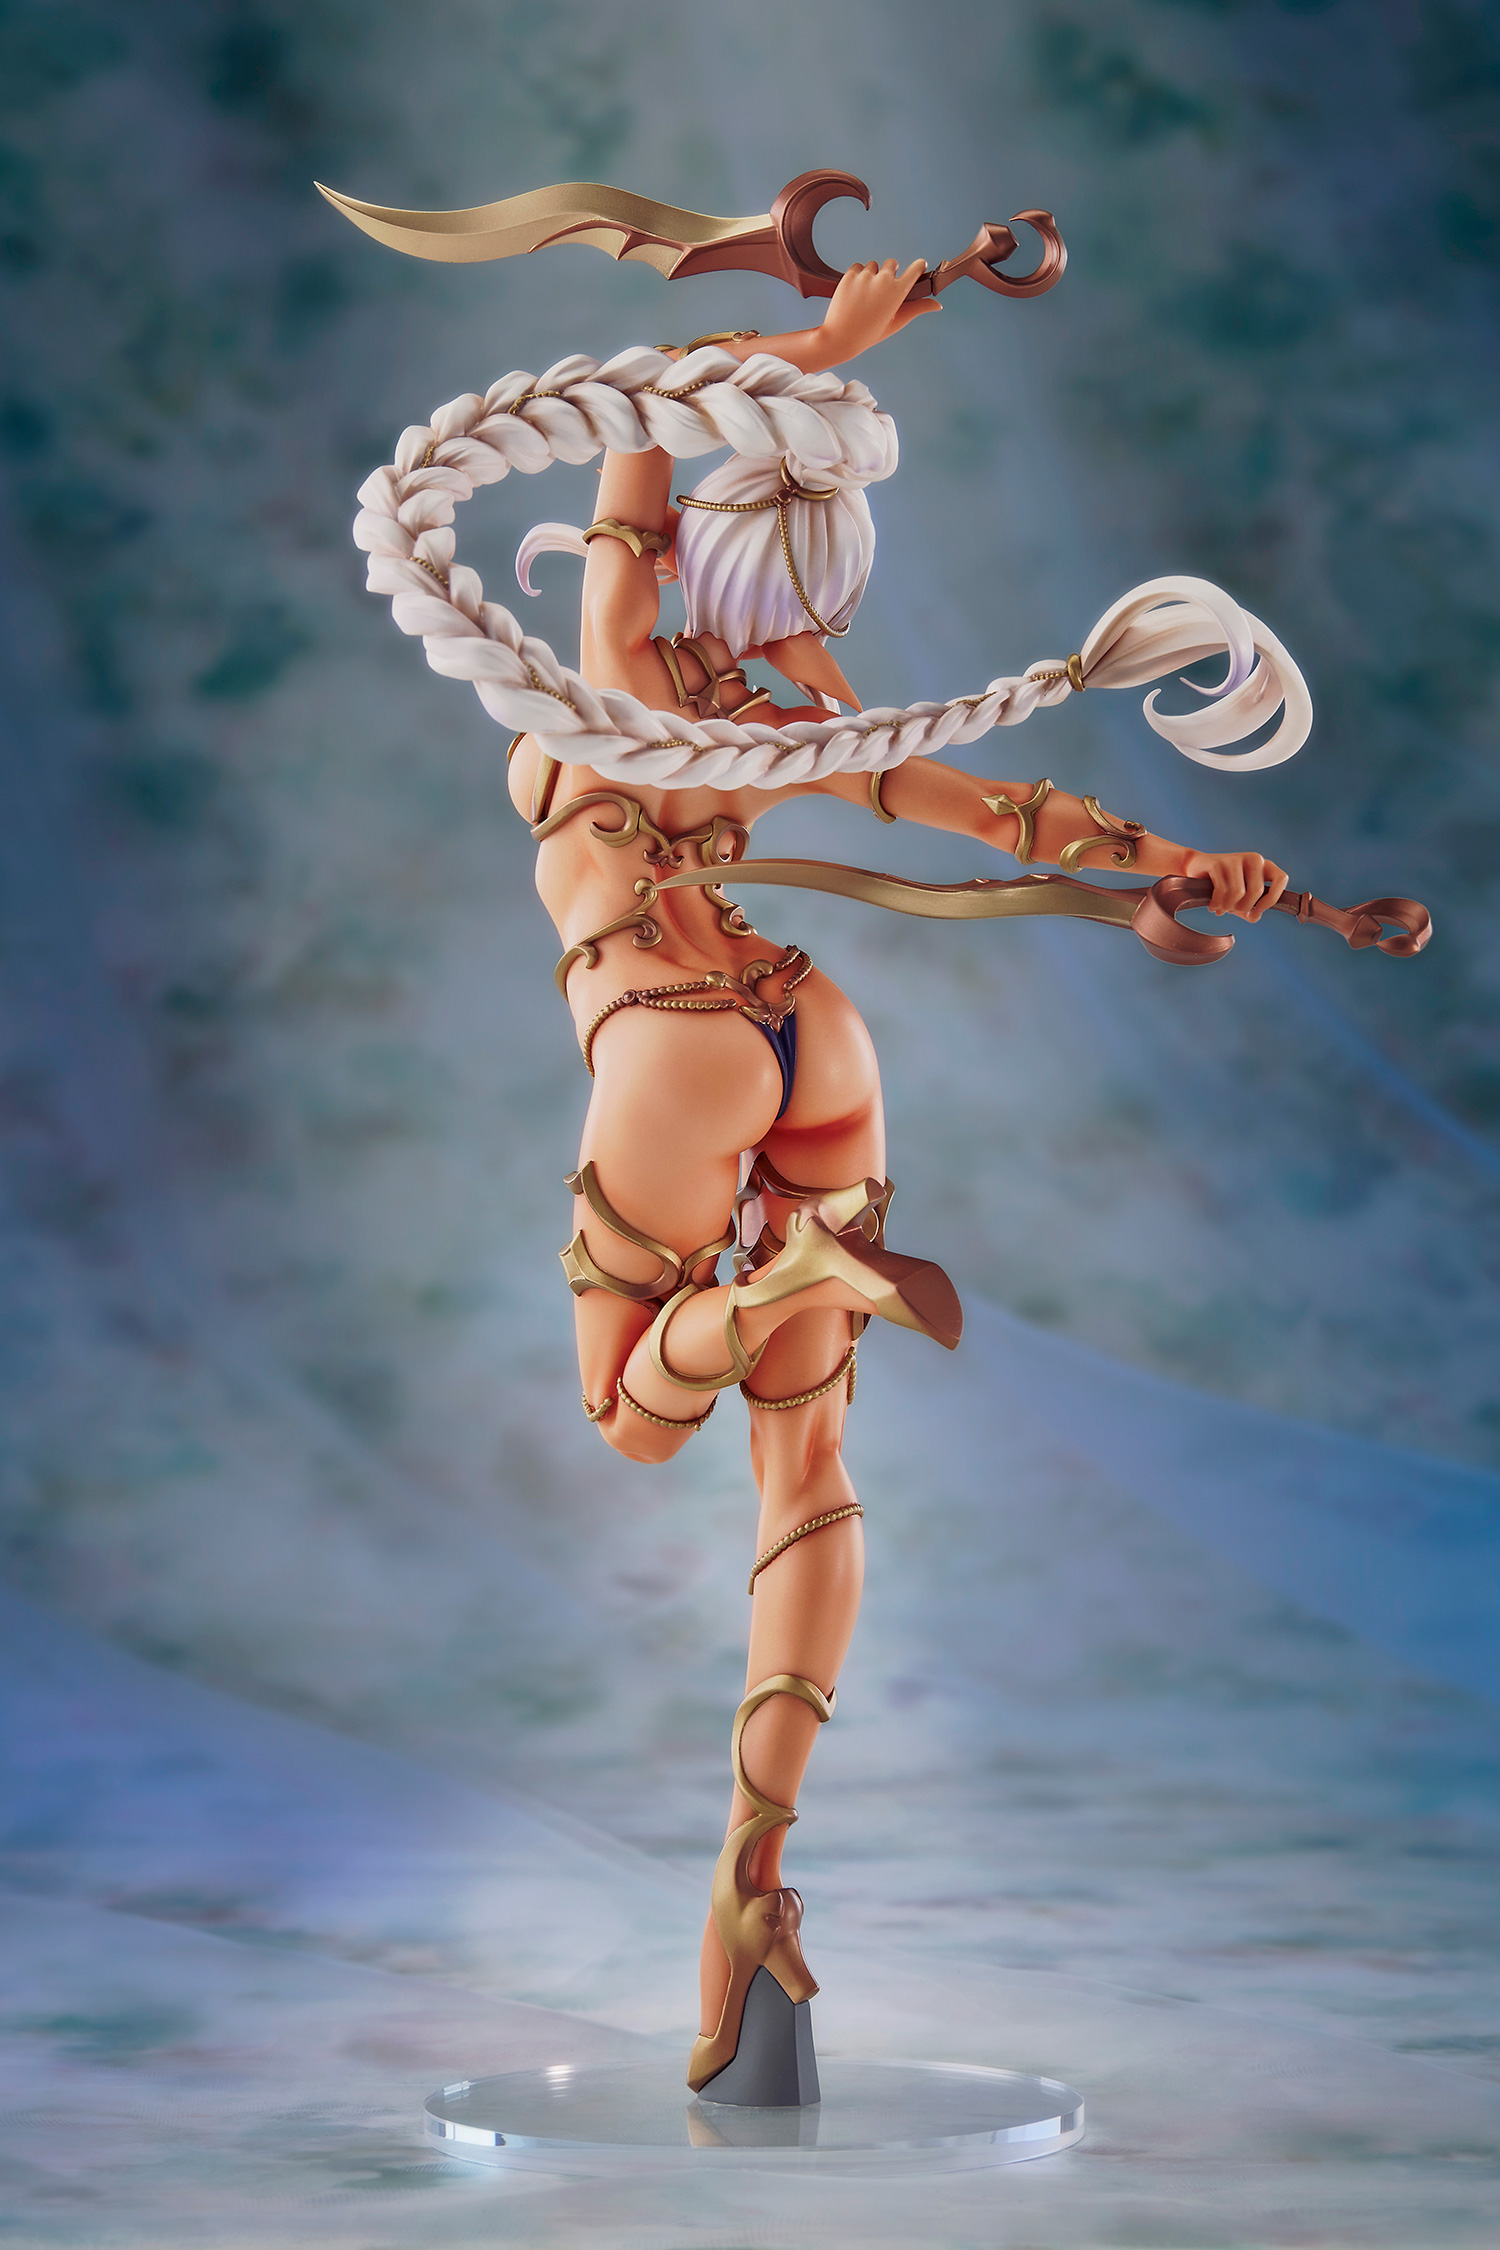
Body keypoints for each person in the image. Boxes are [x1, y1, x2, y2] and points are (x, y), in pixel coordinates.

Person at [501, 258, 1290, 2102]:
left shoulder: (617, 672)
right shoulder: (788, 720)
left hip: (672, 1039)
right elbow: (999, 815)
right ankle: (756, 1874)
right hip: (813, 1033)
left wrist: (811, 350)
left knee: (633, 1419)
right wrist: (1177, 861)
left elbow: (641, 406)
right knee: (810, 1472)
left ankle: (774, 1283)